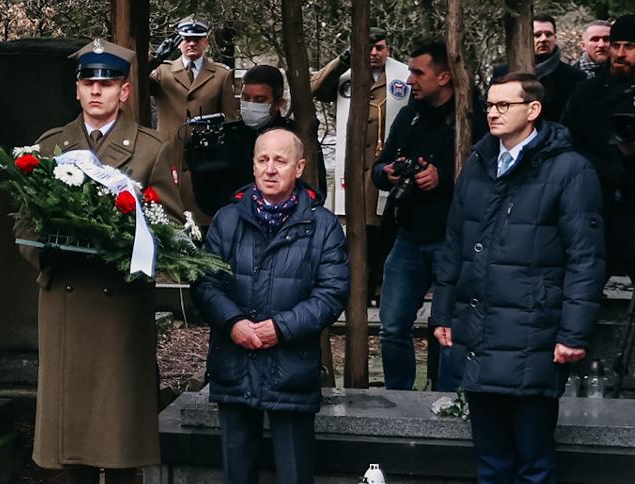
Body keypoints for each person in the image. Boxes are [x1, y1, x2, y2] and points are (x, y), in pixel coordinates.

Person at [26, 40, 182, 484]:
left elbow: (168, 221)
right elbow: (24, 223)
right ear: (78, 89)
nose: (96, 91)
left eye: (107, 83)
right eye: (88, 83)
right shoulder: (50, 147)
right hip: (66, 297)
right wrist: (46, 250)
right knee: (73, 413)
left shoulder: (150, 149)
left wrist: (127, 246)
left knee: (118, 414)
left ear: (124, 90)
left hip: (119, 303)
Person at [434, 72, 604, 484]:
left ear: (533, 110)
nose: (493, 112)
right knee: (490, 454)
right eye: (489, 105)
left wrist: (572, 333)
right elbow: (455, 242)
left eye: (504, 105)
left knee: (531, 453)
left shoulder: (569, 170)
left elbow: (586, 260)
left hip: (535, 331)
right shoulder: (479, 161)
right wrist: (443, 311)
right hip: (481, 329)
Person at [194, 129, 349, 484]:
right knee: (237, 481)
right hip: (235, 359)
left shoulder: (323, 225)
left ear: (298, 168)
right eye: (263, 160)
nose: (270, 169)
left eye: (280, 161)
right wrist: (233, 323)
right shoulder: (228, 219)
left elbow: (331, 294)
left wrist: (278, 328)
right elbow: (205, 280)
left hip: (291, 365)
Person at [374, 43, 482, 392]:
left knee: (450, 327)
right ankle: (399, 398)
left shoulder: (472, 116)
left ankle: (448, 401)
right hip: (408, 235)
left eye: (418, 72)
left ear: (444, 76)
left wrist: (444, 177)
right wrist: (387, 172)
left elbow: (487, 174)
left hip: (453, 238)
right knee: (391, 326)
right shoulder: (410, 114)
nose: (410, 80)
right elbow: (380, 167)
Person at [565, 14, 635, 282]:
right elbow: (569, 143)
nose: (620, 53)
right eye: (616, 44)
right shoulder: (587, 93)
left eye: (630, 46)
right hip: (597, 203)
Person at [186, 65, 323, 217]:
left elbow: (317, 190)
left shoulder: (296, 138)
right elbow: (207, 203)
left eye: (260, 99)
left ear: (278, 103)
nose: (251, 104)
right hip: (235, 226)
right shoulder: (226, 137)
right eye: (246, 98)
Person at [311, 28, 412, 218]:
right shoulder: (344, 73)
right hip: (353, 165)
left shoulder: (404, 75)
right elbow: (317, 90)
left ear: (388, 50)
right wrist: (342, 61)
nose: (374, 53)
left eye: (379, 48)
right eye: (369, 48)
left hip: (385, 164)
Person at [151, 17, 237, 224]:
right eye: (186, 39)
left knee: (203, 222)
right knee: (168, 221)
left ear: (206, 42)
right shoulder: (162, 73)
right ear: (179, 42)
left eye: (197, 39)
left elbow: (231, 122)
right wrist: (153, 60)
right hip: (169, 159)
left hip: (205, 163)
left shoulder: (220, 75)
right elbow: (135, 82)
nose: (191, 43)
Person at [492, 15, 582, 124]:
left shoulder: (574, 77)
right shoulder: (503, 73)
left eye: (548, 34)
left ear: (555, 38)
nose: (543, 39)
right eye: (537, 35)